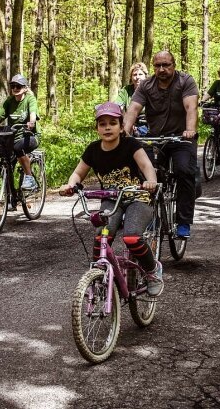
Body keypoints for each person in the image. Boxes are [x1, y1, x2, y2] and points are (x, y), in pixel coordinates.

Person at [59, 102, 163, 296]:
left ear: (121, 126)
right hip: (111, 200)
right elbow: (78, 174)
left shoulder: (130, 144)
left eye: (113, 123)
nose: (107, 127)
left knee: (132, 236)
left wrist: (151, 182)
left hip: (137, 198)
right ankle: (98, 274)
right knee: (102, 236)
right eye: (102, 123)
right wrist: (71, 185)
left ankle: (152, 271)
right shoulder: (92, 150)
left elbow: (147, 166)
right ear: (97, 128)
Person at [123, 50, 199, 239]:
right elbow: (133, 108)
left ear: (174, 65)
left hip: (181, 138)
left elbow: (191, 108)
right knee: (144, 173)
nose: (162, 69)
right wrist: (124, 130)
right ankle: (150, 215)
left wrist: (189, 130)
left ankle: (183, 221)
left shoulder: (185, 81)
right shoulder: (146, 85)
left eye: (166, 65)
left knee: (184, 171)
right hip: (156, 138)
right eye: (158, 66)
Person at [0, 74, 40, 194]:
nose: (15, 88)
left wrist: (31, 122)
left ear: (24, 88)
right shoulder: (9, 101)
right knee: (7, 162)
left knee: (18, 148)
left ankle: (29, 177)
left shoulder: (30, 99)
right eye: (13, 86)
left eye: (18, 86)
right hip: (13, 138)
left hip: (30, 136)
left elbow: (33, 113)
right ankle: (10, 199)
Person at [116, 62, 149, 135]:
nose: (137, 77)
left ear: (145, 76)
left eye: (140, 74)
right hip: (130, 124)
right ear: (131, 77)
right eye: (134, 75)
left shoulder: (151, 90)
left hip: (148, 124)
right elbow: (118, 106)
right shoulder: (126, 90)